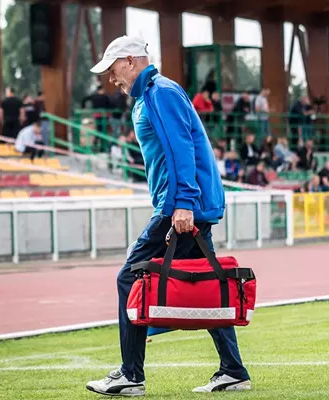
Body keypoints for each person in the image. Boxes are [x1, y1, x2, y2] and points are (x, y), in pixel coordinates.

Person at [85, 35, 251, 396]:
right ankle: (233, 370)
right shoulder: (149, 96)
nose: (111, 78)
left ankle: (131, 375)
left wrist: (184, 203)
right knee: (207, 283)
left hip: (180, 206)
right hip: (181, 204)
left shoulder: (161, 92)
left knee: (130, 278)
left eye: (113, 69)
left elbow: (182, 148)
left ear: (131, 61)